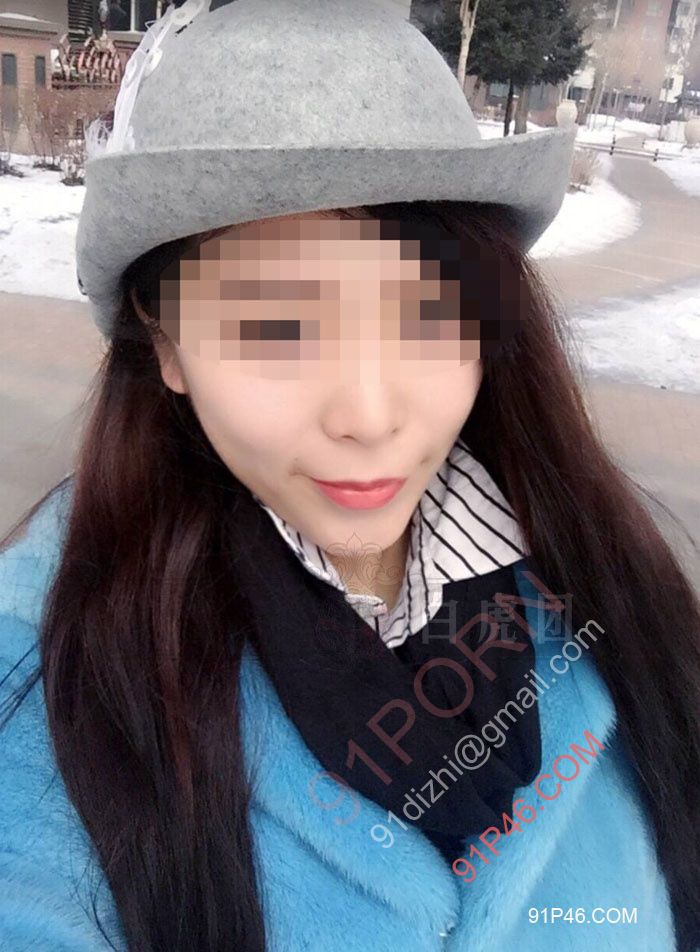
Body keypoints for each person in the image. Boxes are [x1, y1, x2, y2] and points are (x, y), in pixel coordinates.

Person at [1, 1, 698, 950]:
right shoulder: (46, 685)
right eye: (276, 330)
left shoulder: (609, 574)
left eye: (430, 316)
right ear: (164, 344)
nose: (369, 418)